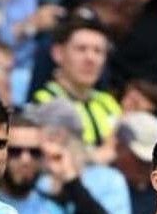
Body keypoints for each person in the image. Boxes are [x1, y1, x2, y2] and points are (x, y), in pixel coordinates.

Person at [30, 13, 121, 154]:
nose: (90, 58)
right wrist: (101, 155)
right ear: (58, 53)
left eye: (98, 51)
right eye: (81, 49)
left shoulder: (109, 103)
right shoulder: (44, 101)